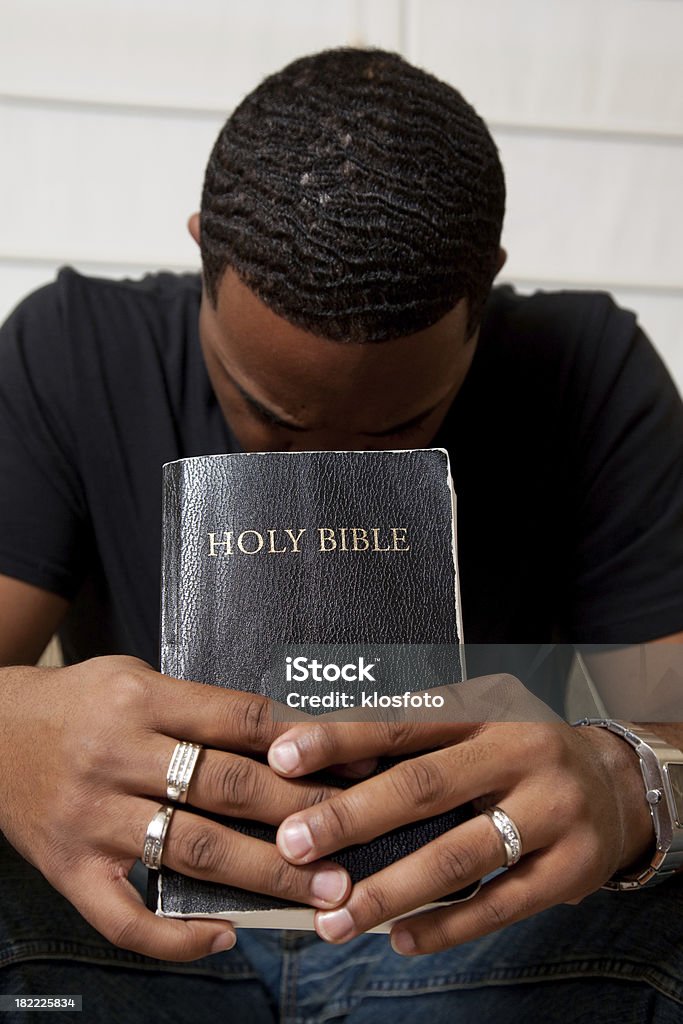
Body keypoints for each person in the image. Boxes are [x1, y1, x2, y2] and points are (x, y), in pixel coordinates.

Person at [1, 46, 682, 1023]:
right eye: (267, 415)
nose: (316, 469)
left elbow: (674, 729)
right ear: (204, 251)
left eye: (396, 431)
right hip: (140, 934)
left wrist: (625, 781)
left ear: (481, 291)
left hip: (467, 938)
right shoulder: (71, 346)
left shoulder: (590, 372)